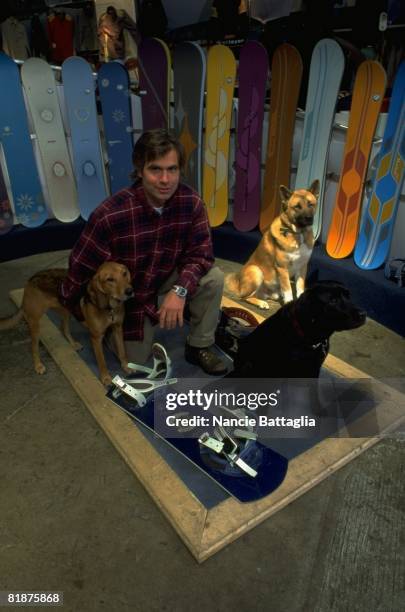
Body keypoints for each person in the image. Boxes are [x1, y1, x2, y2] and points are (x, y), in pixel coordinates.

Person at [60, 129, 227, 376]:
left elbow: (201, 255)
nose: (165, 179)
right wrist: (84, 313)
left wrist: (180, 292)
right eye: (155, 169)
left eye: (172, 169)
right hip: (129, 297)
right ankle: (131, 325)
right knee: (137, 359)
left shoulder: (191, 203)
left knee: (214, 278)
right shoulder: (109, 215)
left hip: (167, 277)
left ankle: (199, 343)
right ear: (139, 170)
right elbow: (79, 270)